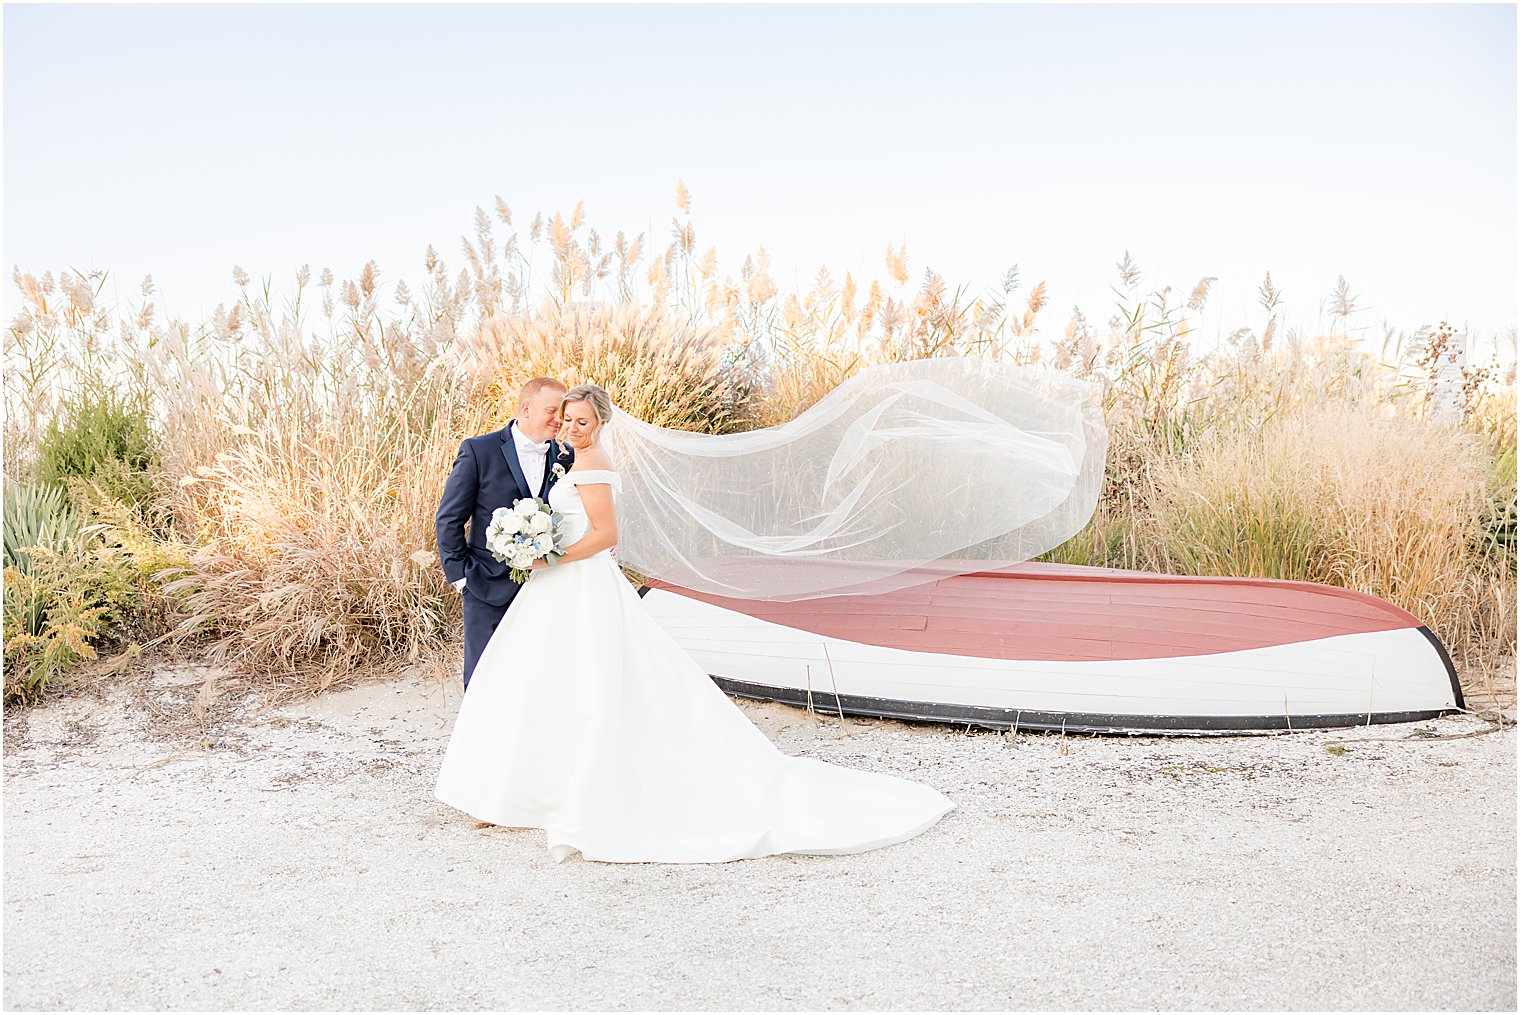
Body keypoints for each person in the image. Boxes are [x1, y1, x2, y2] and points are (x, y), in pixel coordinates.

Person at [433, 382, 955, 863]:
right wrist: (489, 564)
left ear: (599, 423)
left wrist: (549, 557)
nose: (567, 427)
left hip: (570, 581)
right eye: (563, 418)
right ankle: (522, 787)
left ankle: (578, 790)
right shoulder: (545, 455)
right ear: (535, 413)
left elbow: (604, 533)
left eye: (578, 420)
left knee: (590, 684)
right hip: (538, 587)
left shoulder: (588, 461)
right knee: (532, 679)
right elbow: (455, 517)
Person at [434, 377, 575, 689]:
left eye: (562, 411)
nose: (559, 419)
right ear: (526, 408)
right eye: (552, 410)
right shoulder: (479, 450)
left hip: (546, 584)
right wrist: (461, 578)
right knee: (484, 673)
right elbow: (449, 518)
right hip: (486, 583)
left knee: (535, 672)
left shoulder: (566, 457)